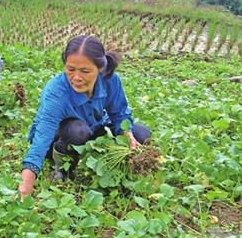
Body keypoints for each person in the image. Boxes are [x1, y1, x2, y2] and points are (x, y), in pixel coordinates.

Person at [18, 35, 151, 198]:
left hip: (93, 128)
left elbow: (120, 113)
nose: (76, 78)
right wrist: (27, 182)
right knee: (77, 130)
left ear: (100, 68)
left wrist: (128, 135)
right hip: (60, 136)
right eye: (70, 69)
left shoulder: (111, 81)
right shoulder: (57, 91)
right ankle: (61, 168)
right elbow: (42, 136)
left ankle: (118, 173)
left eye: (85, 71)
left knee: (142, 135)